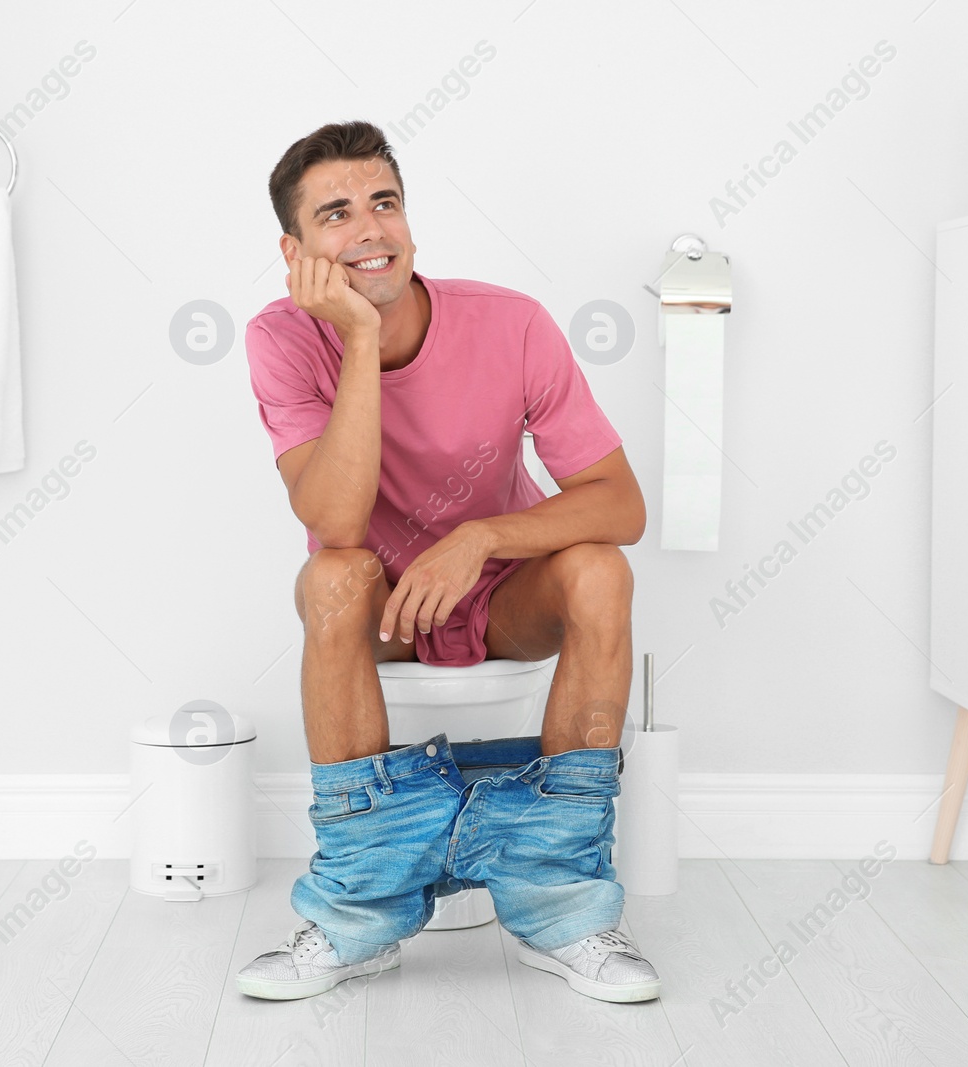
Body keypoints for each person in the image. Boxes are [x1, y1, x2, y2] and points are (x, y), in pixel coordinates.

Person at [237, 120, 659, 1004]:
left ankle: (565, 906)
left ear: (411, 220)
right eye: (337, 213)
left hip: (498, 595)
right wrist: (357, 335)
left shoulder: (511, 324)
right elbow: (335, 519)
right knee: (331, 576)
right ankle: (358, 912)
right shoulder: (281, 338)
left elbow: (620, 505)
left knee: (599, 570)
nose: (369, 230)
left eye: (384, 203)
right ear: (295, 248)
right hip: (382, 608)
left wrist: (480, 539)